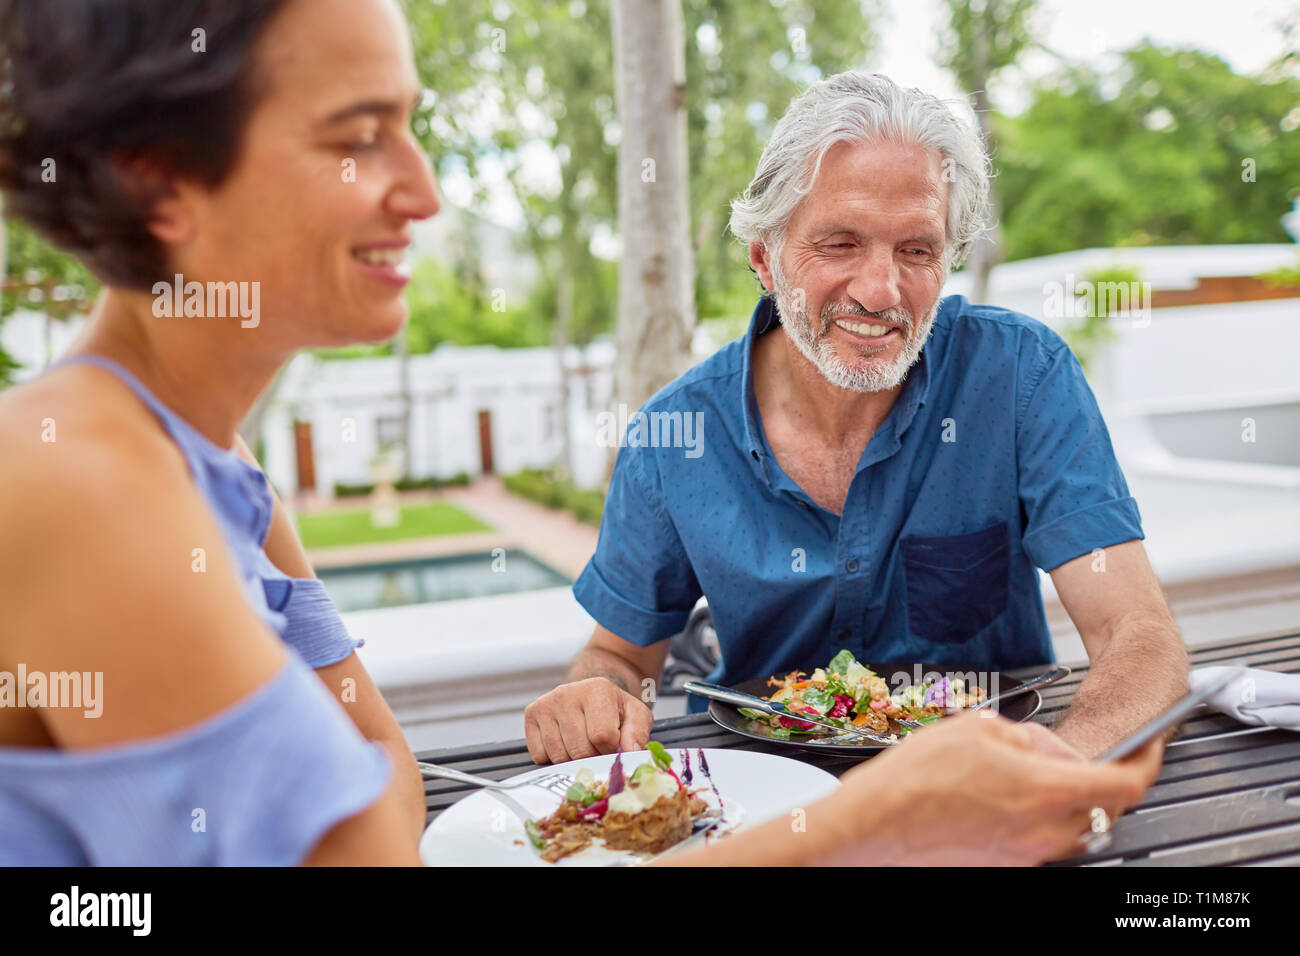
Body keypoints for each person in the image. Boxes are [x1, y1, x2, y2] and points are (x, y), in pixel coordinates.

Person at [0, 0, 1162, 867]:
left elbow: (387, 808)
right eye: (359, 135)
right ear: (161, 178)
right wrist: (873, 816)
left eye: (917, 249)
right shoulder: (83, 485)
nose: (427, 188)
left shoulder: (229, 477)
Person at [525, 71, 1189, 767]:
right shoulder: (674, 435)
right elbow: (619, 658)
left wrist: (1063, 767)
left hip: (985, 784)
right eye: (840, 243)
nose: (880, 291)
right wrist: (592, 696)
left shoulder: (1022, 376)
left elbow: (1138, 634)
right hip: (762, 797)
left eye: (916, 250)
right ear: (765, 258)